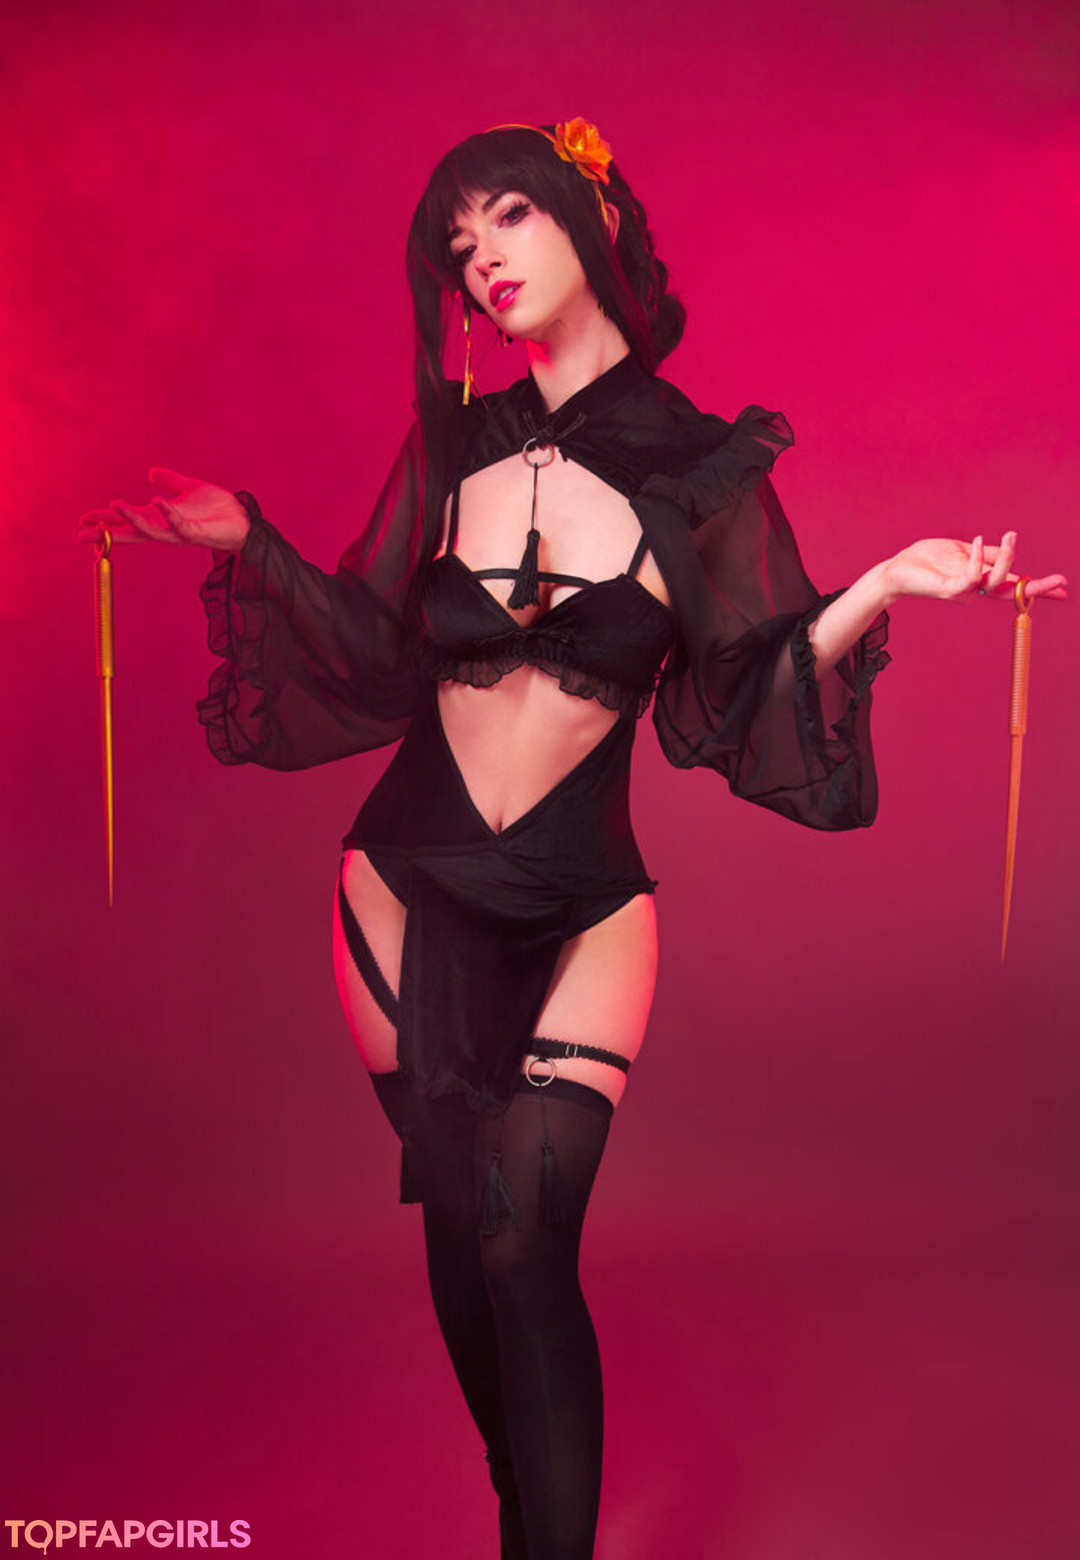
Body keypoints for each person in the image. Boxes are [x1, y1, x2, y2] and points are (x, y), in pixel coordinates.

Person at [79, 119, 1067, 1560]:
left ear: (587, 221)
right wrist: (247, 540)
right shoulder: (452, 445)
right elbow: (370, 653)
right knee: (460, 1227)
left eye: (507, 218)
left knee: (524, 1239)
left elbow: (738, 695)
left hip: (586, 900)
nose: (481, 259)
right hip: (401, 886)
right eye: (457, 244)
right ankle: (524, 1501)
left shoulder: (700, 466)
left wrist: (882, 587)